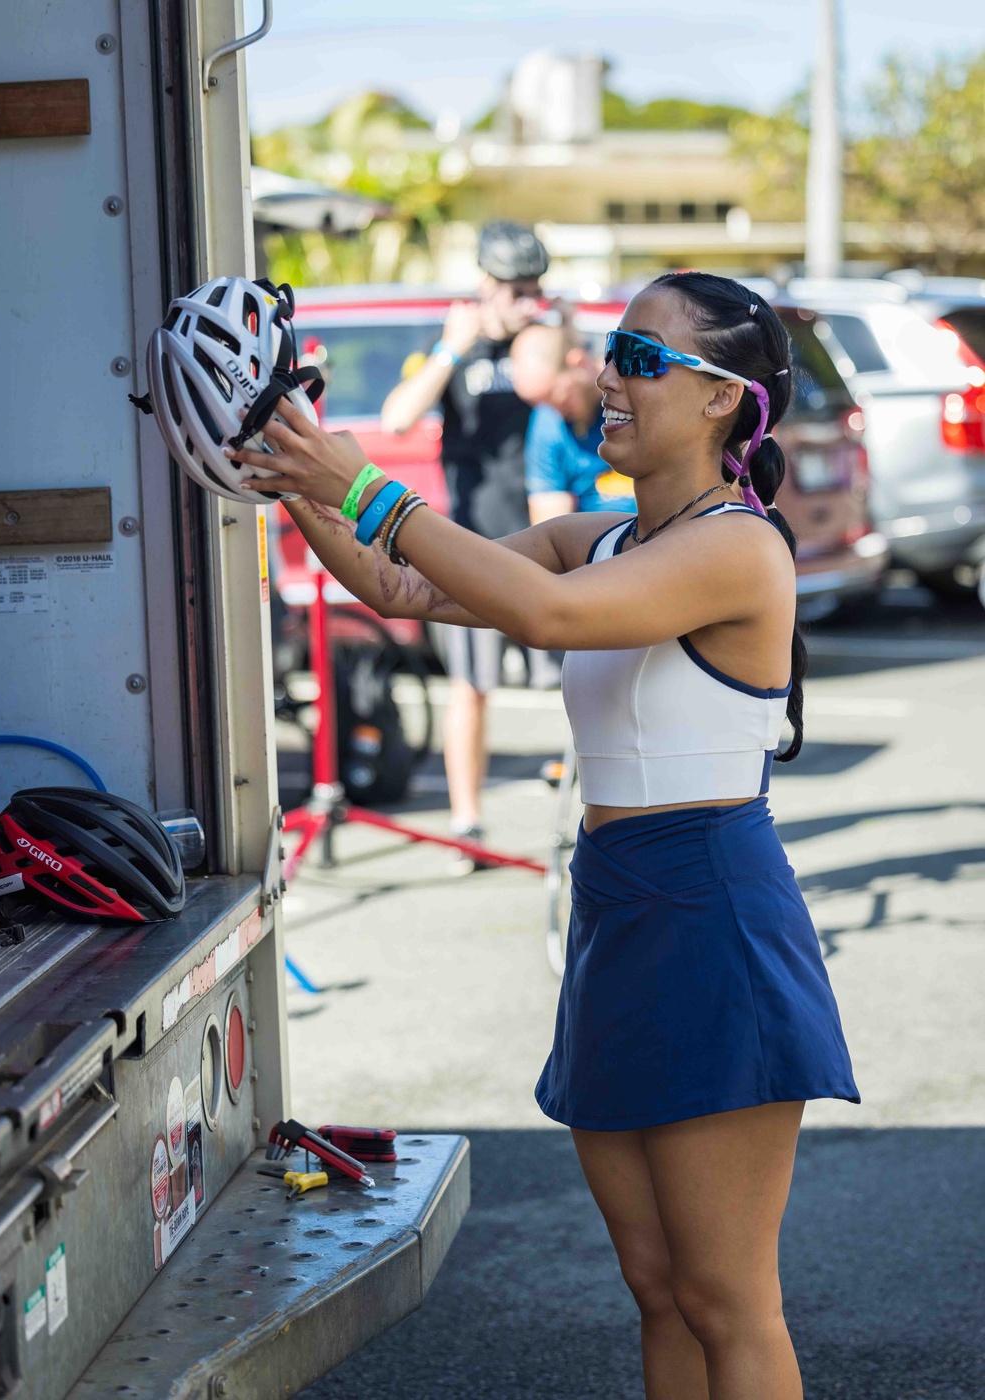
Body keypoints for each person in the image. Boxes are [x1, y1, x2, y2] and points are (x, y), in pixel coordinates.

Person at [228, 270, 860, 1400]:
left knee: (727, 1300)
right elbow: (398, 581)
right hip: (617, 904)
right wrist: (299, 471)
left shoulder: (738, 548)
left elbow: (549, 618)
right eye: (613, 350)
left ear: (723, 400)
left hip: (713, 914)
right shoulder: (598, 534)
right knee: (656, 1282)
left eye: (644, 358)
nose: (609, 375)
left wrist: (361, 480)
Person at [380, 221, 548, 851]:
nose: (524, 300)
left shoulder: (544, 343)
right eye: (512, 288)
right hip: (473, 540)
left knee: (573, 677)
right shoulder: (456, 348)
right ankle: (466, 820)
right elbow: (396, 420)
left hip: (545, 539)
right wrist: (453, 348)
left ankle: (583, 811)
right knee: (470, 687)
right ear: (485, 284)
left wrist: (557, 335)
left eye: (533, 287)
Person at [511, 320, 637, 523]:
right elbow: (549, 522)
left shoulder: (638, 396)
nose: (555, 412)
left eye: (558, 399)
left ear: (578, 362)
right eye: (542, 404)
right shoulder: (548, 422)